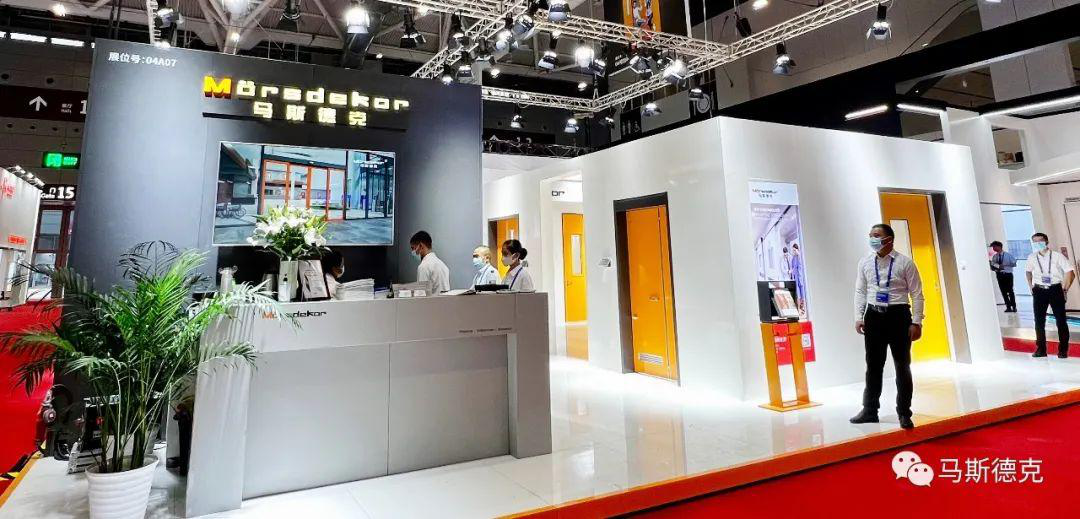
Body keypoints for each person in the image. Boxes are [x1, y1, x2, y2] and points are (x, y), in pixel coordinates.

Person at [851, 223, 924, 430]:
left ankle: (904, 413)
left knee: (902, 365)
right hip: (873, 316)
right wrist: (859, 317)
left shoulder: (905, 263)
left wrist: (916, 322)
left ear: (889, 239)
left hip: (898, 315)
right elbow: (860, 291)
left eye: (876, 235)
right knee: (873, 366)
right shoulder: (865, 262)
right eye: (870, 235)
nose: (872, 239)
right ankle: (870, 410)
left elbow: (917, 294)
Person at [1025, 232, 1074, 358]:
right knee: (1039, 321)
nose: (1038, 244)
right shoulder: (1032, 257)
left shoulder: (1057, 256)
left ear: (1046, 242)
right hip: (1039, 290)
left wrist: (1065, 289)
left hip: (1055, 289)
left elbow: (1070, 272)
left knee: (1061, 320)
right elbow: (1028, 271)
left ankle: (1063, 350)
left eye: (1040, 241)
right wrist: (1030, 286)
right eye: (1035, 241)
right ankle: (1041, 349)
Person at [410, 230, 450, 295]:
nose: (413, 252)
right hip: (446, 301)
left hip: (432, 301)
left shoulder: (424, 266)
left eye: (413, 248)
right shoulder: (443, 265)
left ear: (421, 246)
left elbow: (421, 295)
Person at [989, 241, 1017, 312]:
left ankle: (1014, 307)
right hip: (999, 275)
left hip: (1008, 275)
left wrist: (1005, 265)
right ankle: (1008, 307)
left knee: (1010, 291)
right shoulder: (995, 256)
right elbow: (993, 265)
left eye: (994, 247)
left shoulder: (1008, 255)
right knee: (1003, 291)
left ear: (999, 246)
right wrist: (997, 266)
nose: (993, 248)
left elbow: (1014, 264)